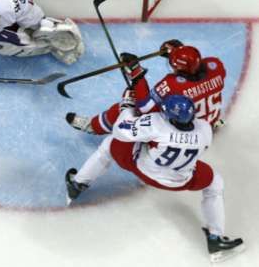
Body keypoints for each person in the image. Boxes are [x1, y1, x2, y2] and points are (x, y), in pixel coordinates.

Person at [65, 93, 244, 263]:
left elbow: (121, 130)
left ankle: (78, 183)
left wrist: (127, 108)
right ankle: (216, 238)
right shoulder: (205, 129)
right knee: (215, 183)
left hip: (145, 172)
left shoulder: (156, 123)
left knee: (110, 144)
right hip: (180, 181)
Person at [66, 40, 226, 135]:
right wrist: (179, 52)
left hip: (181, 131)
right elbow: (197, 71)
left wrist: (137, 73)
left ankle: (93, 126)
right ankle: (214, 122)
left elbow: (144, 108)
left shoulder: (173, 84)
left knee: (129, 102)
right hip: (206, 124)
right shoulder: (216, 66)